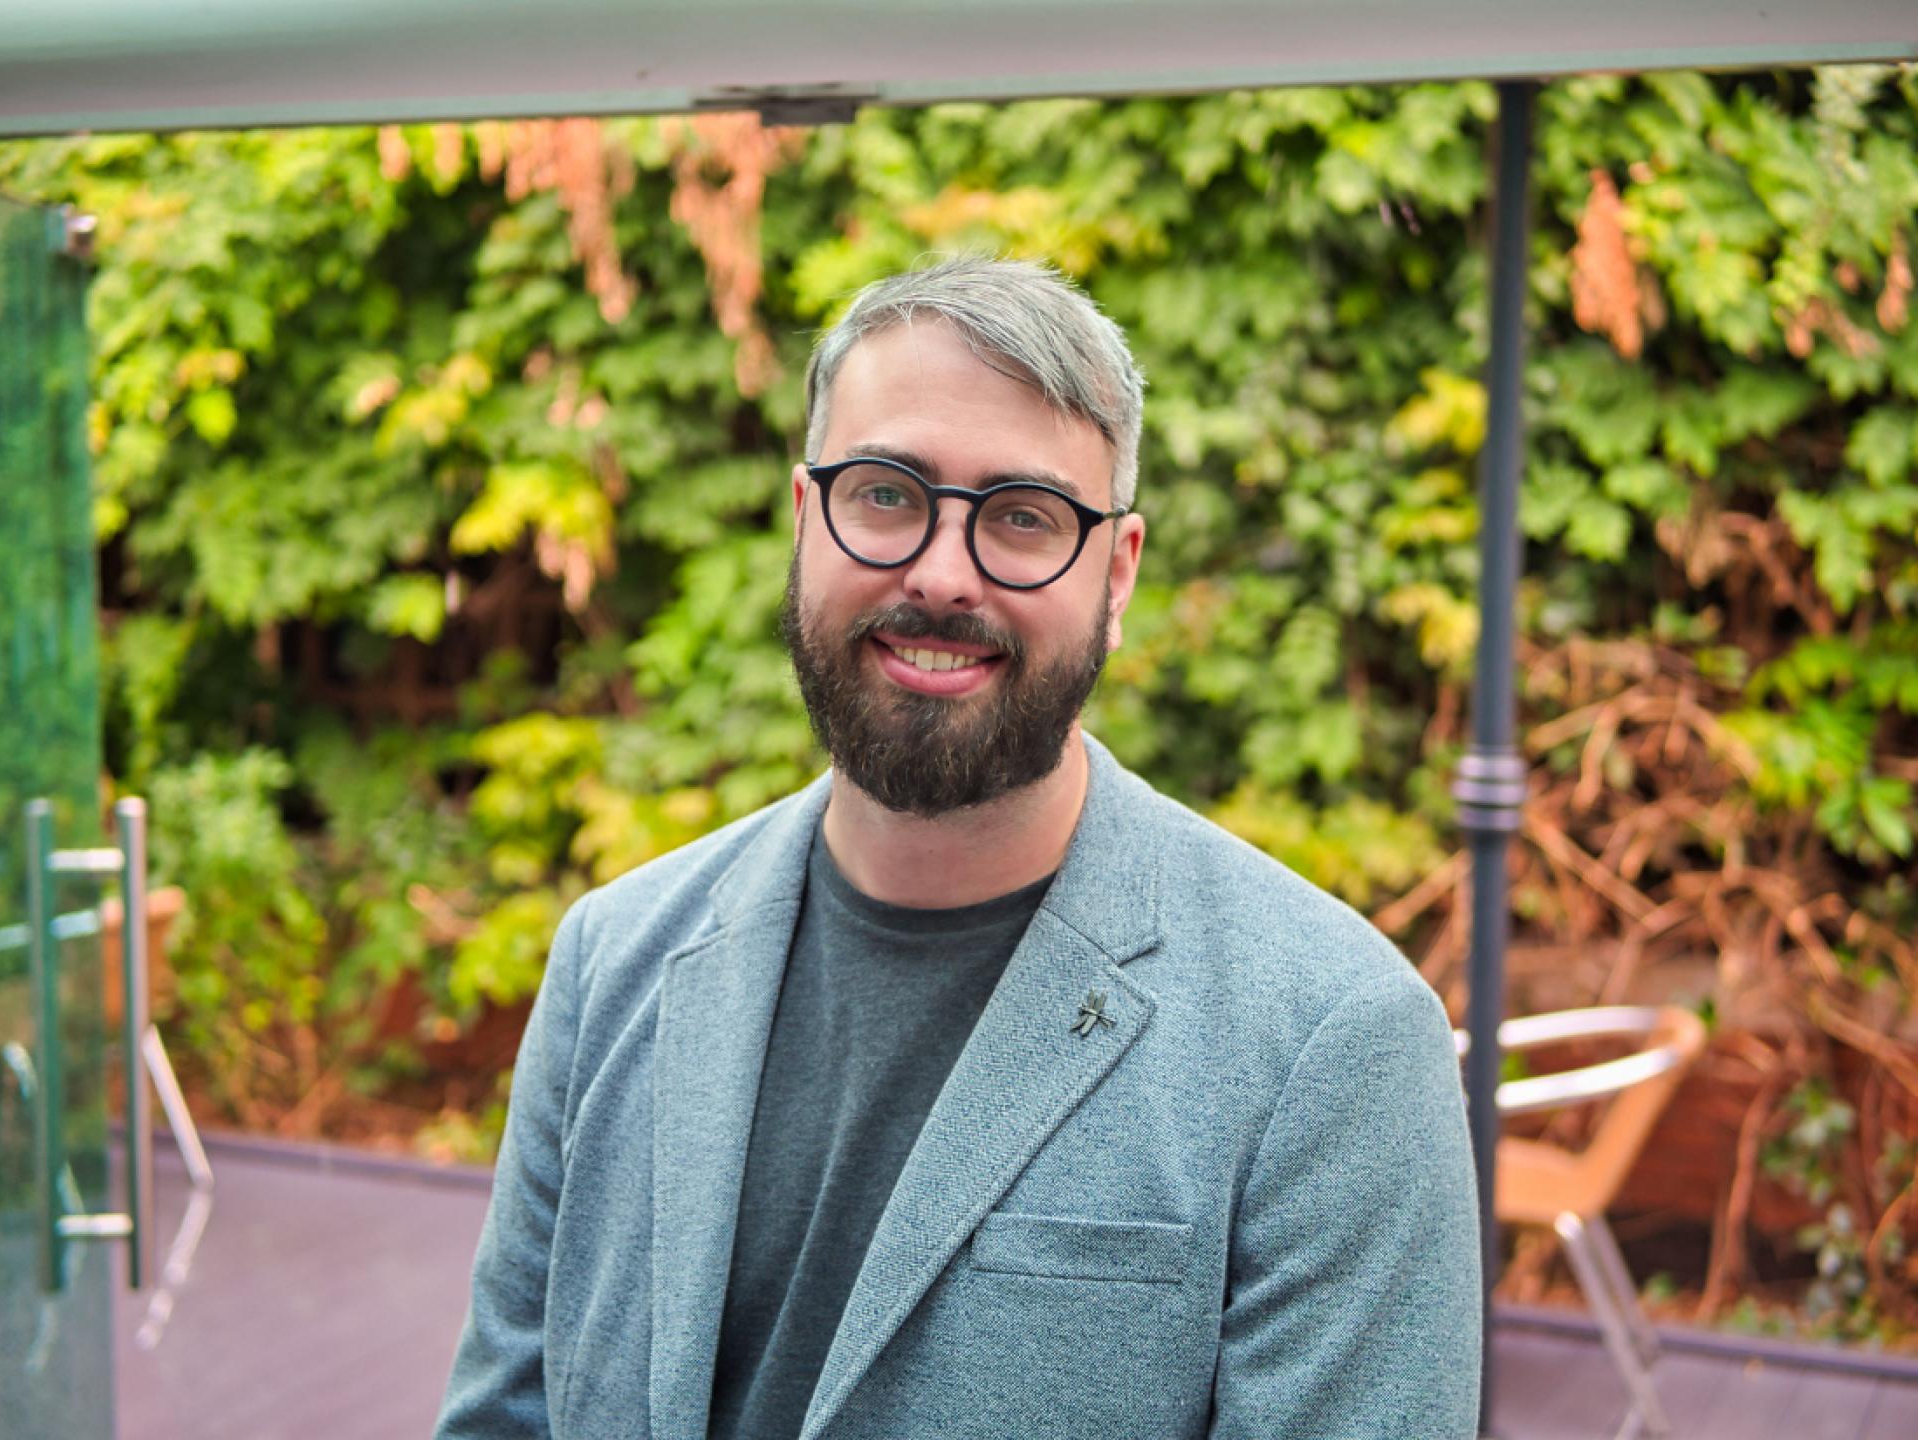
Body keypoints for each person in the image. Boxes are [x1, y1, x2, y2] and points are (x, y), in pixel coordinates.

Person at [435, 257, 1481, 1440]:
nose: (941, 572)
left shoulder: (1331, 1040)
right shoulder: (611, 958)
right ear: (802, 519)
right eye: (885, 492)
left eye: (1025, 517)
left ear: (1118, 573)